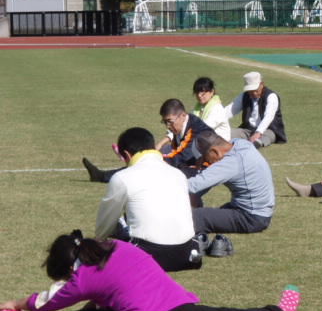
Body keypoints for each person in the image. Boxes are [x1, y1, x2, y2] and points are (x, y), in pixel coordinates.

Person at [0, 232, 300, 311]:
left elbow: (47, 300)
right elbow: (116, 285)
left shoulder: (80, 280)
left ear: (67, 268)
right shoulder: (118, 245)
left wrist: (15, 303)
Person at [93, 127, 211, 272]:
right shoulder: (178, 174)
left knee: (117, 227)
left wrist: (99, 240)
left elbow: (105, 224)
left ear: (127, 155)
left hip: (148, 255)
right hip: (187, 254)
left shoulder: (122, 177)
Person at [82, 99, 213, 183]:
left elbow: (178, 158)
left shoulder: (196, 131)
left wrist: (156, 161)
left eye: (170, 122)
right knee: (150, 166)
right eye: (165, 122)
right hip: (192, 164)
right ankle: (102, 176)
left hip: (209, 169)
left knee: (154, 171)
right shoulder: (182, 125)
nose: (168, 126)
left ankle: (103, 176)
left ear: (183, 116)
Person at [188, 130, 275, 236]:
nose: (208, 164)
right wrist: (196, 194)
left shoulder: (231, 162)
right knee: (212, 214)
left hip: (251, 218)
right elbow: (208, 179)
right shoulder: (240, 144)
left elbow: (192, 185)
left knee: (198, 216)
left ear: (215, 152)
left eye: (206, 160)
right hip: (257, 212)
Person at [155, 77, 231, 153]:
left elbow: (199, 131)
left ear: (212, 92)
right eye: (197, 92)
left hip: (216, 152)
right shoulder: (198, 108)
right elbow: (184, 123)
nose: (199, 95)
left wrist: (162, 143)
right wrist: (161, 143)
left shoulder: (217, 109)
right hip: (202, 145)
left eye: (203, 92)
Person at [224, 71, 286, 148]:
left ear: (262, 84)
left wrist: (258, 133)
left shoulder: (271, 96)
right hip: (247, 130)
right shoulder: (244, 96)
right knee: (223, 132)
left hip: (268, 130)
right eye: (250, 91)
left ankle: (257, 143)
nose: (254, 93)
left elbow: (268, 117)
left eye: (255, 90)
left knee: (269, 135)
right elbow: (229, 110)